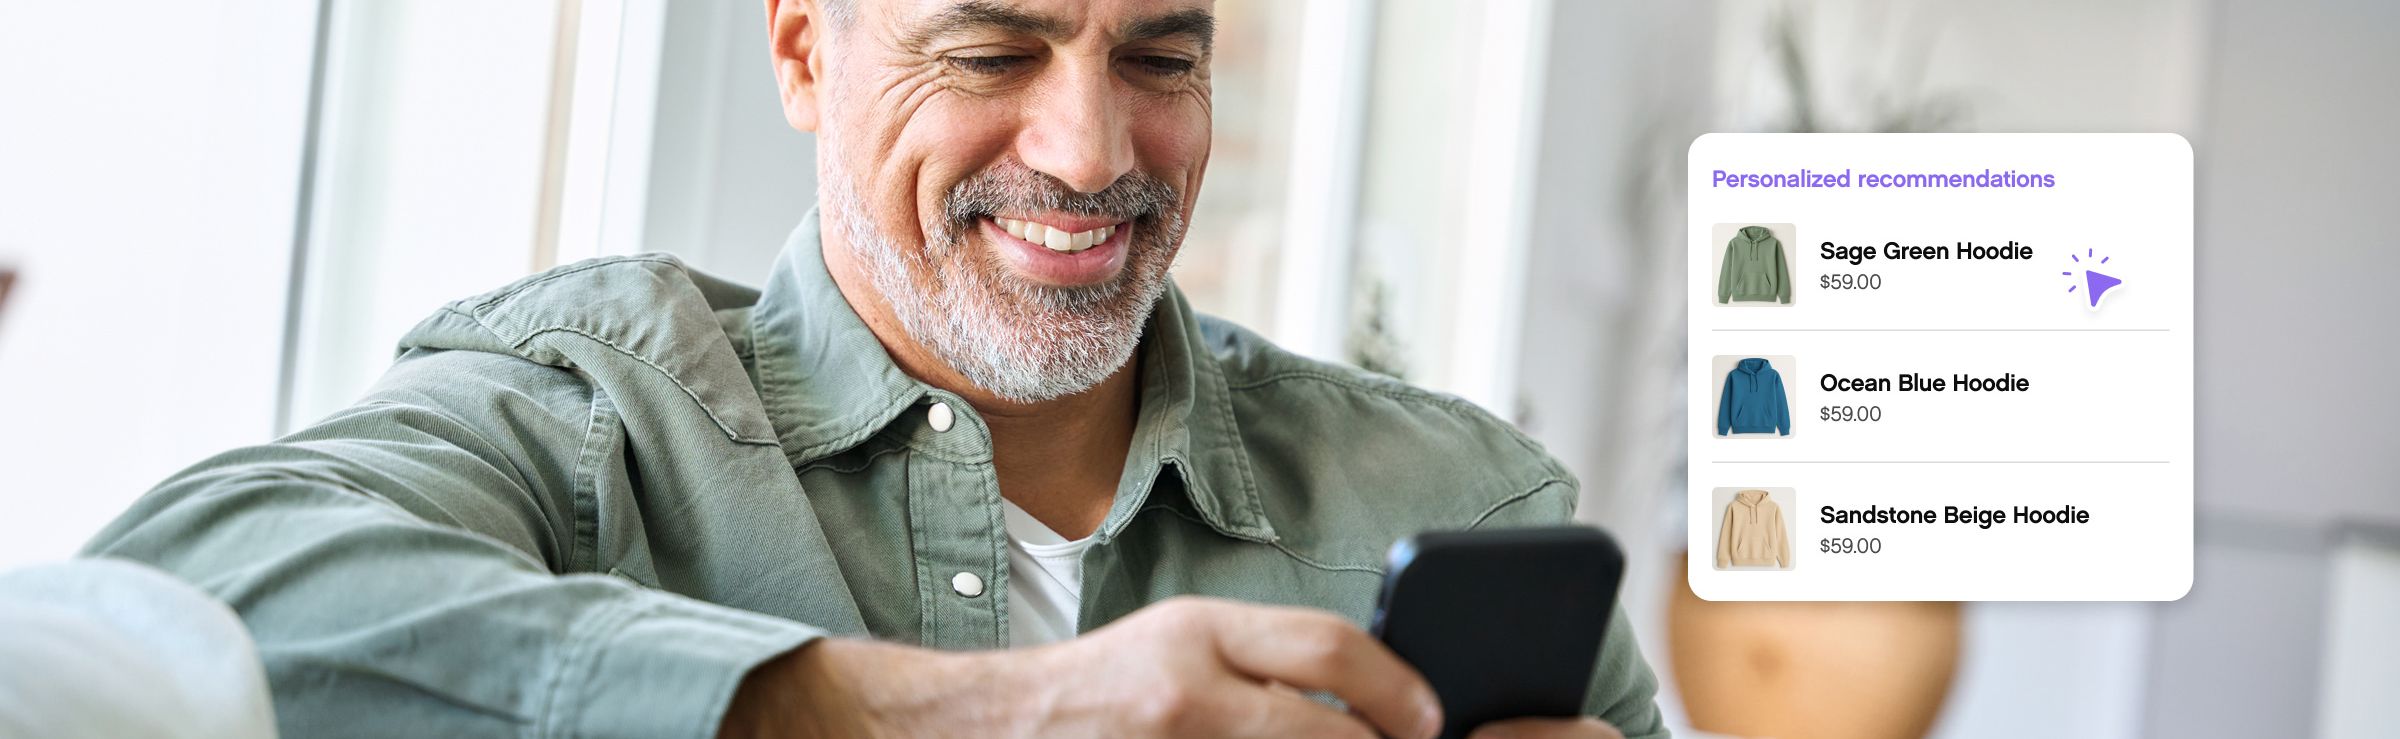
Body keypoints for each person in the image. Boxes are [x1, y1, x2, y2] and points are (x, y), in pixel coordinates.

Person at [86, 1, 1666, 737]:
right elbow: (163, 608)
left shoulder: (1463, 498)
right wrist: (996, 717)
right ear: (800, 52)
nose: (1091, 151)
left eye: (1161, 57)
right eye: (991, 54)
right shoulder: (588, 409)